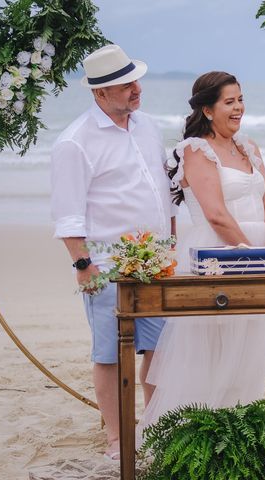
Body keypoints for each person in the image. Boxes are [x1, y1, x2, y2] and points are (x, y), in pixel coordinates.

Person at [137, 71, 265, 438]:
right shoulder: (195, 150)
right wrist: (252, 258)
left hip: (262, 257)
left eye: (241, 100)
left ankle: (238, 431)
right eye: (229, 102)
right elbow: (215, 213)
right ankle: (198, 435)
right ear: (207, 108)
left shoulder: (250, 147)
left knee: (248, 347)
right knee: (212, 349)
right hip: (217, 257)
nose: (239, 108)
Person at [50, 45, 176, 460]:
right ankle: (116, 438)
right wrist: (84, 266)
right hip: (106, 265)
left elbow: (160, 190)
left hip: (158, 261)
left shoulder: (148, 127)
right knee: (109, 354)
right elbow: (68, 214)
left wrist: (169, 241)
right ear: (100, 94)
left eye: (136, 80)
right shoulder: (74, 142)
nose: (136, 89)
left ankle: (157, 428)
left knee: (161, 351)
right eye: (125, 86)